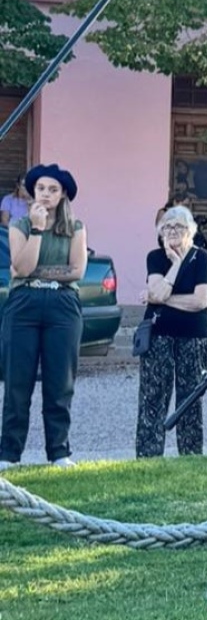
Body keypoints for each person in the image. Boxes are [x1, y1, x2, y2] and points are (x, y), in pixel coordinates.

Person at [0, 164, 86, 471]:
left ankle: (59, 452)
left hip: (63, 305)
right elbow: (21, 269)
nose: (46, 194)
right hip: (23, 303)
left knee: (60, 380)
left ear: (63, 195)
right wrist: (36, 230)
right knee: (17, 381)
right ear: (32, 193)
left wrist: (37, 271)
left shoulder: (75, 228)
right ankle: (9, 453)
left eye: (52, 189)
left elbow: (76, 271)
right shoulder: (20, 225)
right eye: (40, 189)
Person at [136, 206, 207, 457]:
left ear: (190, 231)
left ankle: (190, 455)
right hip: (158, 335)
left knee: (190, 397)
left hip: (194, 337)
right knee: (152, 397)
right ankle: (148, 455)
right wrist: (176, 264)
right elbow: (157, 291)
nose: (172, 231)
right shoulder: (155, 257)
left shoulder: (200, 257)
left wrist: (159, 298)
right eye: (167, 227)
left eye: (178, 226)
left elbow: (200, 301)